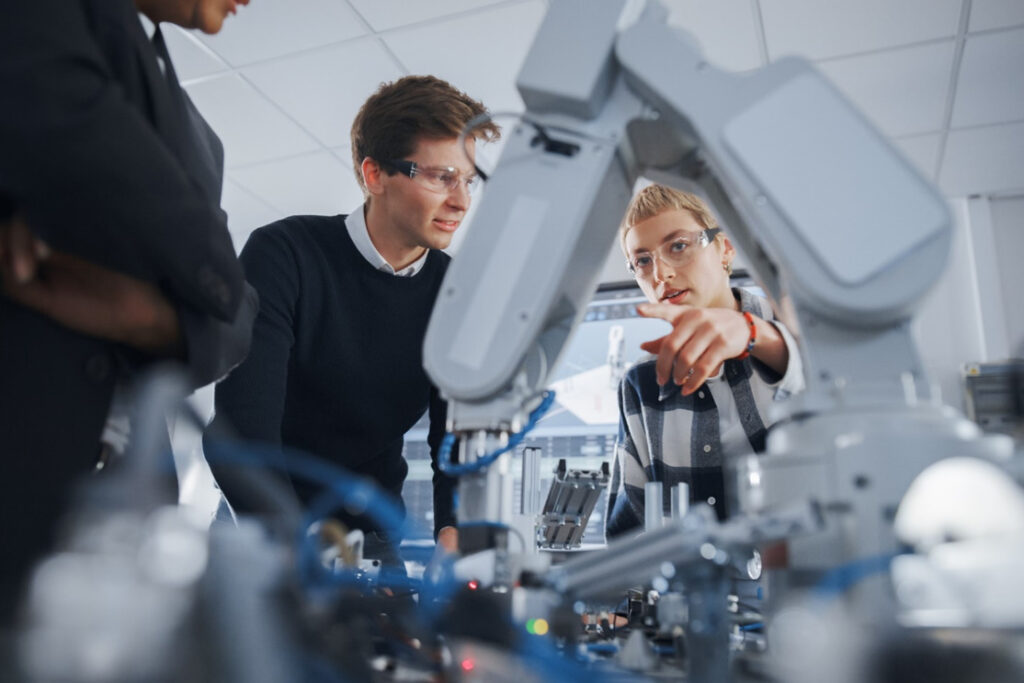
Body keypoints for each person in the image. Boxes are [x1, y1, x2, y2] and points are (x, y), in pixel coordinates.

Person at [0, 0, 257, 619]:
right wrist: (198, 286)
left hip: (128, 511)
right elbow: (70, 129)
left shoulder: (204, 142)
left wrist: (148, 317)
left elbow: (237, 308)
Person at [208, 75, 500, 556]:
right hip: (261, 524)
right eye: (439, 177)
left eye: (468, 181)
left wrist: (454, 532)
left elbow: (456, 443)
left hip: (372, 535)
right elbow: (244, 425)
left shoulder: (458, 291)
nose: (461, 201)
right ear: (374, 174)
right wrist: (293, 548)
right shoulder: (284, 254)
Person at [605, 185, 804, 537]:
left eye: (678, 246)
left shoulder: (799, 326)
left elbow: (823, 383)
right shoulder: (643, 384)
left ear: (725, 248)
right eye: (643, 261)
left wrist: (754, 334)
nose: (660, 274)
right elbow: (628, 534)